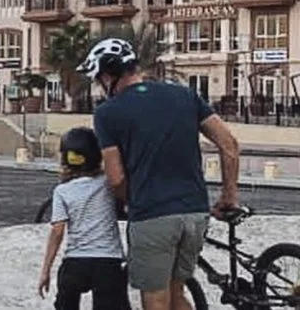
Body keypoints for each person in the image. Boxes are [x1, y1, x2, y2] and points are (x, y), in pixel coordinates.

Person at [79, 37, 241, 310]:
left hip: (152, 217)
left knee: (155, 299)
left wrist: (131, 200)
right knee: (176, 295)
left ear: (108, 75)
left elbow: (116, 178)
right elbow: (230, 145)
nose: (99, 85)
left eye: (98, 78)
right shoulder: (184, 95)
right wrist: (229, 196)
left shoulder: (108, 113)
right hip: (195, 213)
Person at [38, 127, 131, 309]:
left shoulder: (62, 191)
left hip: (75, 262)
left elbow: (57, 232)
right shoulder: (107, 183)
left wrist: (46, 270)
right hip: (108, 262)